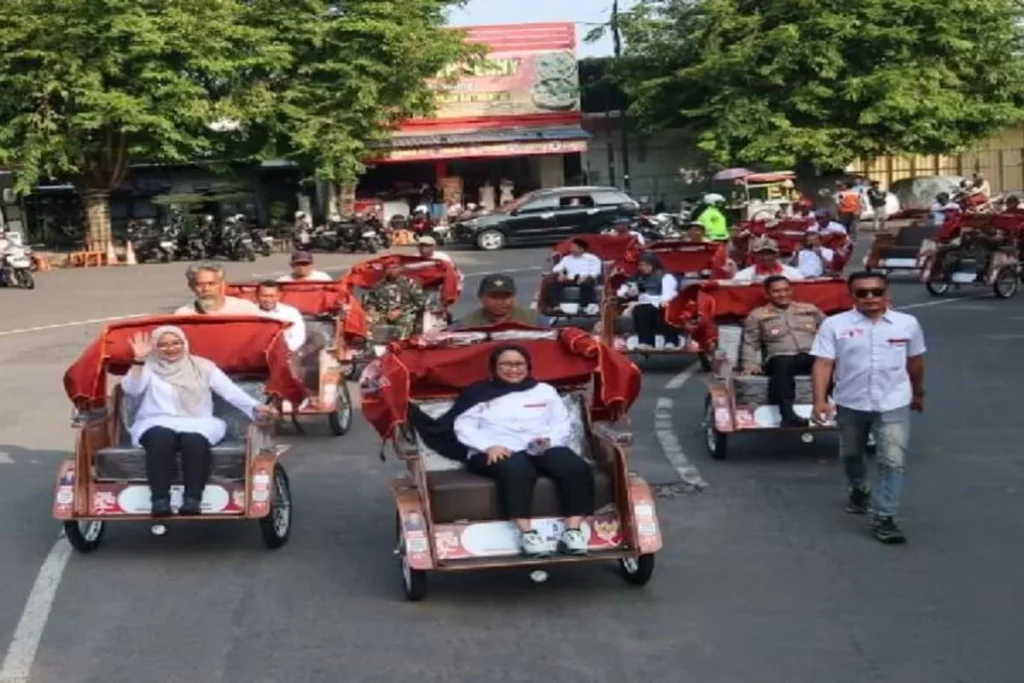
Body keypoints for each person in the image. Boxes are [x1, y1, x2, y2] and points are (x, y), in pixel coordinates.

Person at [412, 345, 595, 556]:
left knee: (573, 466)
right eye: (506, 364)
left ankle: (573, 531)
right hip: (493, 450)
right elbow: (464, 426)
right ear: (494, 368)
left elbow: (561, 422)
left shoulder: (544, 390)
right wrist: (488, 445)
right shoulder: (479, 392)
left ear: (528, 366)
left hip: (540, 446)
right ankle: (527, 534)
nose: (513, 369)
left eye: (518, 364)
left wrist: (549, 440)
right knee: (517, 469)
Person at [810, 271, 926, 544]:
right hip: (851, 402)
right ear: (852, 296)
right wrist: (819, 400)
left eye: (876, 291)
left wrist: (919, 393)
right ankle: (858, 488)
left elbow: (916, 362)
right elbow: (823, 363)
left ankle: (884, 517)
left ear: (887, 294)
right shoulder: (834, 325)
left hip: (893, 402)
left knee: (892, 461)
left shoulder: (907, 324)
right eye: (862, 292)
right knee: (851, 454)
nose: (870, 297)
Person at [123, 326, 276, 517]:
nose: (171, 349)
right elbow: (133, 389)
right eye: (163, 345)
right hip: (156, 421)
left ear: (184, 343)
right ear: (155, 348)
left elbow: (230, 392)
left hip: (197, 421)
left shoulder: (203, 366)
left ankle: (192, 500)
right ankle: (160, 500)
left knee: (193, 441)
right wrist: (138, 360)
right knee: (161, 438)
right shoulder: (149, 367)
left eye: (175, 343)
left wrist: (255, 406)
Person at [740, 276, 825, 427]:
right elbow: (750, 343)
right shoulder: (758, 315)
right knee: (783, 363)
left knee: (830, 365)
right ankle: (787, 414)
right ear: (767, 294)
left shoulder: (810, 310)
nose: (783, 294)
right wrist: (750, 364)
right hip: (779, 358)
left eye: (786, 290)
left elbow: (829, 333)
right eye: (777, 291)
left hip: (810, 356)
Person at [615, 252, 680, 350]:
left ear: (653, 264)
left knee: (667, 310)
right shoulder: (637, 277)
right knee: (641, 310)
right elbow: (623, 291)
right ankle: (646, 343)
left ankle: (671, 342)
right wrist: (627, 292)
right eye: (641, 265)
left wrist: (663, 301)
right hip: (645, 304)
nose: (643, 268)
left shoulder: (665, 276)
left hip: (662, 302)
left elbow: (669, 293)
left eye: (646, 265)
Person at [362, 259, 426, 339]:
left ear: (401, 268)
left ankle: (401, 344)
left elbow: (420, 303)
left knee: (405, 321)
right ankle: (371, 345)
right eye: (389, 268)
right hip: (383, 313)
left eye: (395, 268)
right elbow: (370, 301)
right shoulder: (379, 285)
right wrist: (371, 310)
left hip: (403, 314)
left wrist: (400, 311)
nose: (392, 271)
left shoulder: (410, 283)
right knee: (368, 320)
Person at [454, 274, 544, 327]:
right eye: (494, 297)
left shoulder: (533, 319)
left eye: (506, 296)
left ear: (513, 297)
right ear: (481, 297)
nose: (500, 302)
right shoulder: (467, 324)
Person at [175, 262, 261, 315]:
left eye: (211, 284)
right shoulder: (183, 315)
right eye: (199, 285)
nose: (206, 289)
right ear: (191, 287)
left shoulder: (245, 309)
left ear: (222, 284)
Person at [550, 238, 602, 314]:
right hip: (571, 279)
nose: (571, 249)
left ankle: (583, 307)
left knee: (587, 283)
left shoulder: (592, 258)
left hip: (585, 278)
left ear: (581, 249)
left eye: (573, 247)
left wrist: (586, 277)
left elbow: (596, 271)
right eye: (571, 247)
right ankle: (556, 306)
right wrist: (561, 273)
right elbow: (555, 269)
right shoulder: (567, 258)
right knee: (554, 282)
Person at [254, 281, 306, 352]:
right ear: (256, 295)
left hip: (285, 352)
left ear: (278, 296)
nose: (268, 300)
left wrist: (285, 350)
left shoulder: (291, 312)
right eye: (264, 296)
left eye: (272, 296)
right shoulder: (249, 311)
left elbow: (298, 336)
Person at [734, 237, 804, 282]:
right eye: (761, 254)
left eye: (769, 253)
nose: (765, 257)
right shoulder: (743, 276)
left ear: (777, 254)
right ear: (755, 255)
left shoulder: (793, 274)